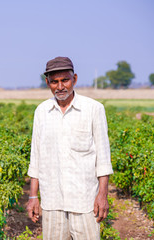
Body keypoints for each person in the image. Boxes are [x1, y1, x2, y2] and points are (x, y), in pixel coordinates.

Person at [26, 56, 113, 239]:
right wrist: (33, 196)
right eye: (54, 82)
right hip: (52, 201)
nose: (60, 87)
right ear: (47, 82)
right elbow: (36, 157)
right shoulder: (41, 112)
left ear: (74, 79)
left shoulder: (93, 109)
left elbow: (103, 158)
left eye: (65, 80)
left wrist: (102, 195)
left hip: (85, 200)